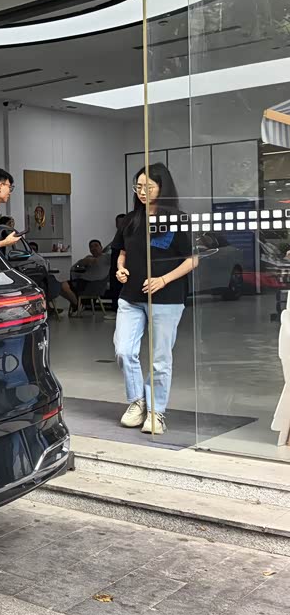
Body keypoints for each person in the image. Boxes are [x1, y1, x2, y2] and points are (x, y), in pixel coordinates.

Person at [111, 165, 197, 436]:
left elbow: (192, 259)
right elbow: (122, 252)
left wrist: (163, 280)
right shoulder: (130, 220)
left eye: (148, 187)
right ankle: (138, 401)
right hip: (131, 297)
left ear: (162, 187)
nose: (142, 192)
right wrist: (120, 269)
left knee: (160, 359)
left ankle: (156, 411)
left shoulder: (178, 219)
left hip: (167, 298)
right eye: (138, 187)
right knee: (124, 351)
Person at [60, 239, 111, 315]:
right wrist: (82, 262)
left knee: (63, 286)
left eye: (96, 246)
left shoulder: (107, 257)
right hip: (82, 282)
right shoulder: (88, 257)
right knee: (59, 287)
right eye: (91, 247)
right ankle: (78, 305)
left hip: (94, 285)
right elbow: (74, 267)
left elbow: (118, 257)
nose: (94, 248)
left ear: (101, 247)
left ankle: (77, 305)